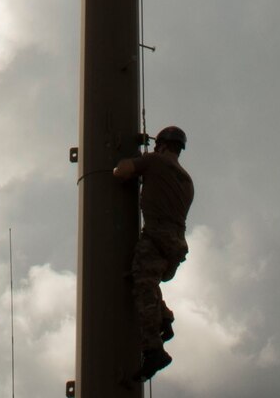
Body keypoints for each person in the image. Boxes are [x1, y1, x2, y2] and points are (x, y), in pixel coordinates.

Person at [113, 124, 193, 380]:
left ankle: (153, 350)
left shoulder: (154, 161)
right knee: (150, 280)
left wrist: (130, 161)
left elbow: (121, 172)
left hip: (156, 237)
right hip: (175, 244)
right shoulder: (186, 179)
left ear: (161, 145)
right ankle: (165, 319)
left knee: (142, 285)